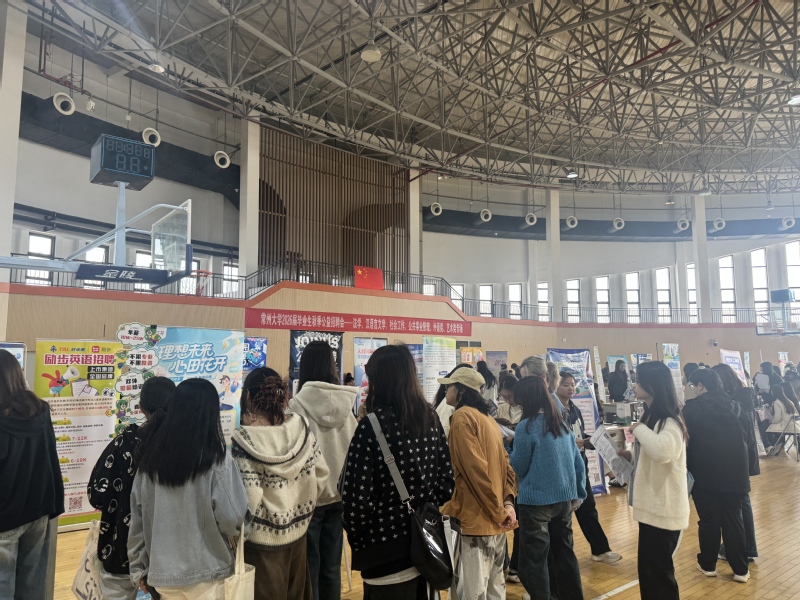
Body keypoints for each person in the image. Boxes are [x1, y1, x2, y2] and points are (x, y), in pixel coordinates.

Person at [341, 344, 454, 599]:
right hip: (427, 550)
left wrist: (360, 535)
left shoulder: (370, 427)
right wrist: (424, 510)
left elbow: (356, 503)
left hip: (383, 554)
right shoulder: (430, 419)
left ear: (380, 380)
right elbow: (447, 482)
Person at [129, 378, 249, 598]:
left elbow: (137, 521)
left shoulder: (149, 462)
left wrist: (138, 569)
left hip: (163, 576)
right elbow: (232, 517)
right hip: (209, 574)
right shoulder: (217, 462)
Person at [233, 367, 329, 600]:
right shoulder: (302, 428)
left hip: (262, 544)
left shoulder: (243, 440)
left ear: (247, 396)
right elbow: (321, 475)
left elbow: (249, 498)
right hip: (299, 535)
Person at [88, 377, 175, 600]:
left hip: (119, 546)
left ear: (141, 407)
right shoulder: (180, 449)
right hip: (165, 550)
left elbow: (96, 494)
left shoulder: (123, 444)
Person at [440, 366, 517, 600]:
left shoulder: (462, 417)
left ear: (461, 390)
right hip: (497, 522)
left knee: (471, 594)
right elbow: (506, 467)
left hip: (476, 523)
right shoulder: (489, 420)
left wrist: (499, 512)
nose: (446, 390)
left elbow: (475, 472)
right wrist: (507, 505)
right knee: (495, 591)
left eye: (450, 386)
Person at [289, 341, 358, 600]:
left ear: (304, 366)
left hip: (308, 498)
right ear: (332, 365)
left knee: (310, 569)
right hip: (338, 498)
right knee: (331, 568)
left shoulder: (296, 407)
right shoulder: (346, 406)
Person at [510, 376, 585, 600]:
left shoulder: (526, 427)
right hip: (564, 501)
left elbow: (519, 466)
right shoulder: (560, 423)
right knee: (564, 555)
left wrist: (506, 452)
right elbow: (578, 462)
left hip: (535, 502)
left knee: (534, 562)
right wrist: (578, 494)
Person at [622, 360, 690, 600]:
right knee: (650, 574)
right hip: (651, 509)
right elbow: (652, 454)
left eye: (639, 381)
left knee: (659, 577)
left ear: (653, 385)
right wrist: (629, 456)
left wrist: (638, 429)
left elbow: (663, 452)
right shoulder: (651, 416)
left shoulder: (670, 420)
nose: (635, 385)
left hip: (664, 510)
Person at [0, 349, 64, 600]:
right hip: (38, 510)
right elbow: (50, 455)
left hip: (5, 516)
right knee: (32, 585)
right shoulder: (40, 409)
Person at [683, 368, 756, 583]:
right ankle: (741, 570)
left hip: (705, 474)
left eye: (692, 386)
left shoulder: (691, 409)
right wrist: (749, 470)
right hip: (736, 475)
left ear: (701, 386)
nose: (692, 390)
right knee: (734, 519)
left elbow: (684, 442)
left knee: (709, 520)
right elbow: (749, 441)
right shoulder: (738, 407)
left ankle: (708, 565)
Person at [555, 372, 621, 565]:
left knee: (588, 509)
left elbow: (580, 434)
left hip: (579, 468)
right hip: (563, 471)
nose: (570, 388)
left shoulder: (574, 409)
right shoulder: (553, 412)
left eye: (572, 384)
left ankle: (600, 550)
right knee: (562, 519)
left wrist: (591, 441)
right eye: (565, 385)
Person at [710, 364, 759, 562]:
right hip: (743, 456)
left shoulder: (731, 403)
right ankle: (745, 547)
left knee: (738, 505)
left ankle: (742, 547)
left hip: (733, 458)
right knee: (742, 502)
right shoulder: (743, 398)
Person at [434, 363, 472, 437]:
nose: (446, 390)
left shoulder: (462, 410)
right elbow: (445, 434)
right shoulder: (448, 406)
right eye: (448, 386)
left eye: (449, 386)